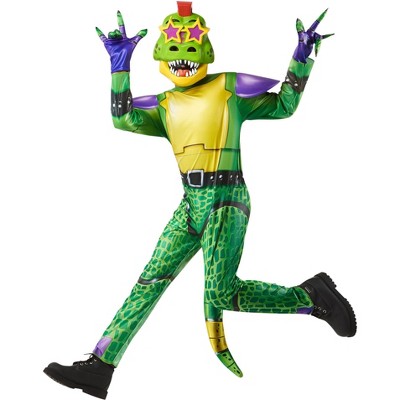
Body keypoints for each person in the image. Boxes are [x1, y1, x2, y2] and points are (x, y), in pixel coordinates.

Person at [44, 2, 356, 399]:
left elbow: (284, 105)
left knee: (220, 295)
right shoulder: (164, 104)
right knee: (150, 280)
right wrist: (119, 65)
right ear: (161, 56)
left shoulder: (229, 88)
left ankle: (309, 298)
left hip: (226, 199)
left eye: (190, 49)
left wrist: (302, 55)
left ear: (206, 52)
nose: (182, 59)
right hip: (190, 203)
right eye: (174, 50)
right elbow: (122, 118)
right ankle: (100, 366)